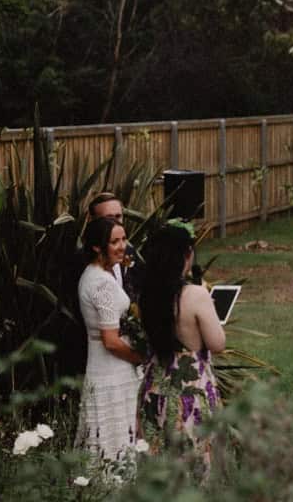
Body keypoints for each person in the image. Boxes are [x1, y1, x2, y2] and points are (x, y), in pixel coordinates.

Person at [134, 220, 225, 443]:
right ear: (187, 254)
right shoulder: (196, 295)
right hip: (189, 391)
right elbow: (217, 344)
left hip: (154, 387)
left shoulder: (146, 295)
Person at [77, 214, 145, 464]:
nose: (123, 246)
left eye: (124, 239)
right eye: (114, 241)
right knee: (113, 439)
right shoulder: (101, 283)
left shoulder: (93, 275)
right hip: (111, 370)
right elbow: (110, 340)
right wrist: (140, 357)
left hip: (105, 368)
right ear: (97, 246)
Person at [88, 192, 131, 297]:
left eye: (118, 216)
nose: (115, 223)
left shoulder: (129, 252)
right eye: (109, 218)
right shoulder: (83, 262)